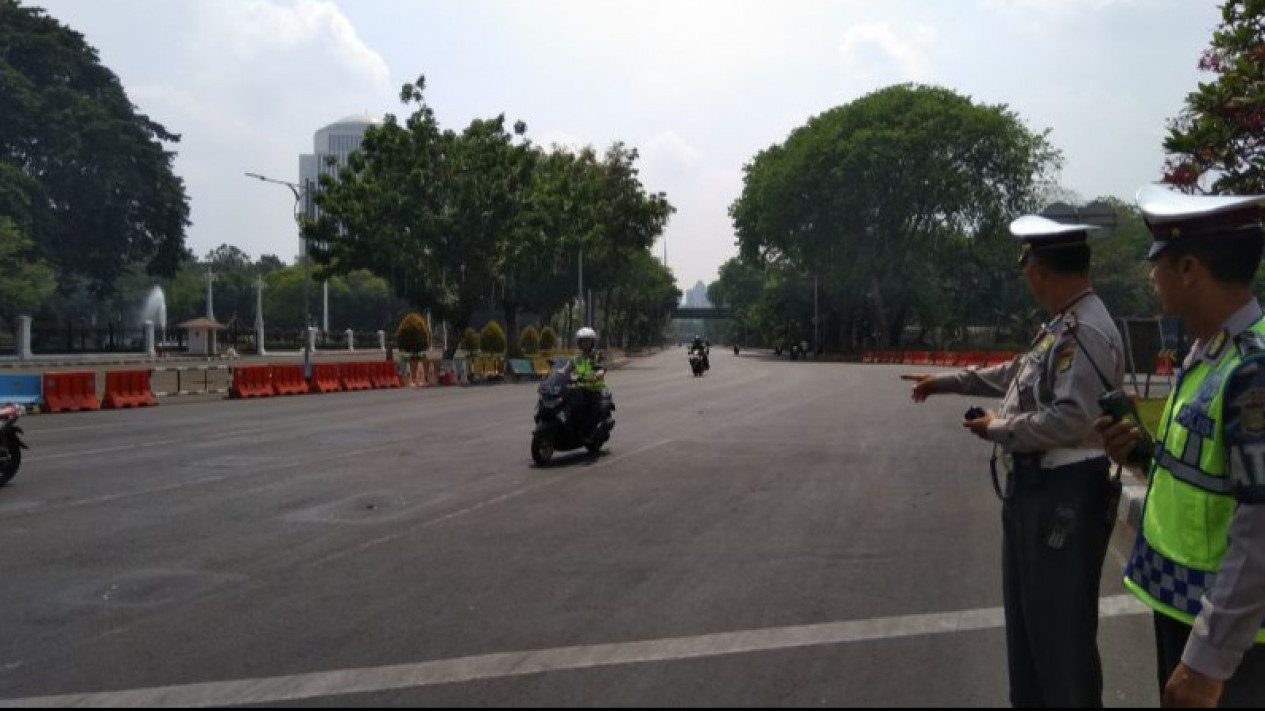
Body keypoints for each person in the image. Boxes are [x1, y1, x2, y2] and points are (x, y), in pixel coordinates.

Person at [903, 215, 1125, 707]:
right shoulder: (1064, 324)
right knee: (1029, 640)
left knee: (1060, 645)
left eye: (1027, 267)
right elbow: (1016, 375)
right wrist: (945, 383)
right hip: (1037, 493)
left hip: (1063, 495)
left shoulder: (1086, 330)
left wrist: (997, 428)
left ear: (1038, 270)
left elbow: (1070, 419)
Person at [1096, 185, 1265, 708]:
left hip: (1233, 641)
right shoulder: (1210, 351)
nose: (1152, 275)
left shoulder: (1253, 369)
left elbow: (1260, 526)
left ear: (1189, 269)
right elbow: (1206, 476)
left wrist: (1207, 662)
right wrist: (1140, 456)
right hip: (1185, 609)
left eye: (1158, 262)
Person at [563, 327, 607, 442]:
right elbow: (566, 369)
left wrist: (598, 374)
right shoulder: (576, 358)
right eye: (583, 341)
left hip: (594, 389)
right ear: (579, 343)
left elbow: (602, 368)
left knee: (588, 407)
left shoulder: (597, 355)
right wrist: (556, 373)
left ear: (592, 342)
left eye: (588, 341)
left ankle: (588, 432)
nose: (585, 343)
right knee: (567, 402)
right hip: (579, 388)